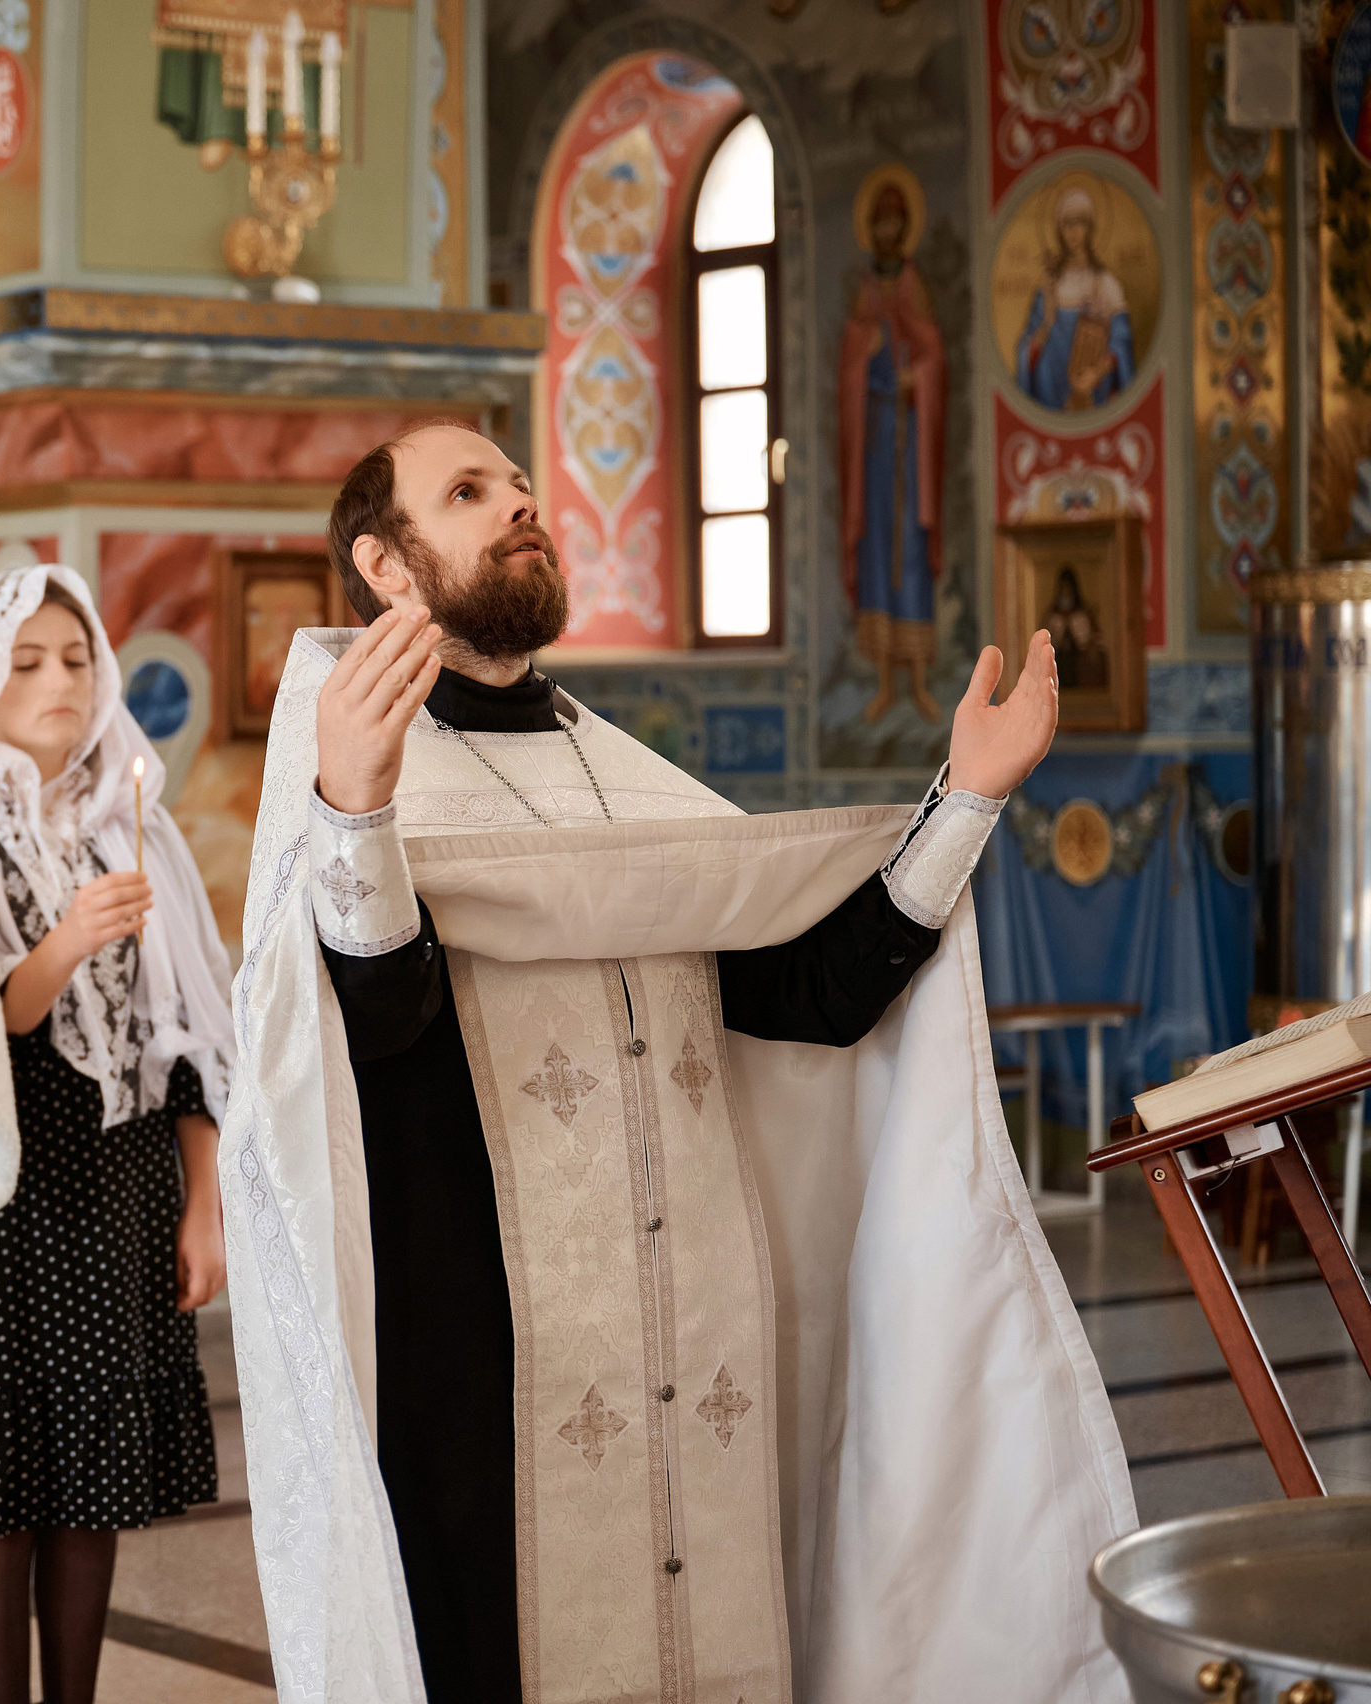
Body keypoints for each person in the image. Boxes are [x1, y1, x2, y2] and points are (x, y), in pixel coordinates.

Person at [222, 422, 1137, 1701]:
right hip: (483, 1359)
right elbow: (371, 1030)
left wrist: (966, 798)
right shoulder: (346, 775)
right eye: (470, 492)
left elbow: (808, 997)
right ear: (384, 564)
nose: (519, 504)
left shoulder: (629, 778)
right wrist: (359, 815)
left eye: (523, 485)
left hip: (700, 1343)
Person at [0, 567, 236, 1704]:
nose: (60, 683)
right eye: (25, 662)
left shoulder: (134, 824)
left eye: (77, 659)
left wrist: (204, 1204)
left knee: (94, 1470)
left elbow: (185, 1035)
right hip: (0, 1176)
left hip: (121, 1174)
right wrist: (69, 939)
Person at [838, 179, 947, 724]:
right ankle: (884, 684)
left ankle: (921, 682)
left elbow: (933, 353)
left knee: (911, 553)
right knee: (881, 551)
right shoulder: (865, 289)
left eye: (892, 223)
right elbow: (851, 361)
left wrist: (918, 377)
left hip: (911, 440)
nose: (885, 232)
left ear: (903, 228)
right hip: (877, 441)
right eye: (877, 223)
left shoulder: (912, 283)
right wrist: (868, 356)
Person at [1016, 185, 1134, 412]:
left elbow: (1121, 343)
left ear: (1090, 228)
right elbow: (1028, 345)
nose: (1073, 231)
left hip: (1092, 386)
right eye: (1067, 224)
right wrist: (1048, 319)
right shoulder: (1049, 284)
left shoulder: (1105, 283)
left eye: (1080, 222)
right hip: (1048, 385)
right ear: (1059, 229)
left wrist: (1096, 373)